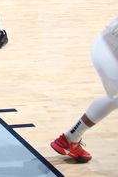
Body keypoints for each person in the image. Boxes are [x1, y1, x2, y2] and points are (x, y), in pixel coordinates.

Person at [50, 17, 118, 163]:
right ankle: (70, 138)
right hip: (111, 51)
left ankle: (70, 138)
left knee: (115, 99)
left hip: (104, 45)